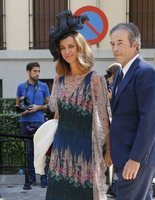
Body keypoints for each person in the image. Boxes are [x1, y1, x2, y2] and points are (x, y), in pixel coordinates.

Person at [46, 10, 111, 200]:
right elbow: (57, 115)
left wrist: (109, 151)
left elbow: (105, 117)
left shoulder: (95, 79)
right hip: (61, 150)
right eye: (63, 48)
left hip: (86, 150)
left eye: (71, 46)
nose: (67, 52)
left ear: (80, 47)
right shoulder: (58, 79)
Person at [109, 22, 155, 200]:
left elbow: (149, 120)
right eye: (112, 44)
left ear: (135, 45)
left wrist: (136, 158)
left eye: (120, 43)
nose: (115, 48)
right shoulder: (119, 73)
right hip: (124, 155)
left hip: (136, 158)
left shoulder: (145, 72)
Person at [16, 62, 50, 187]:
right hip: (25, 122)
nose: (37, 73)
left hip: (40, 122)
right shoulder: (20, 87)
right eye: (35, 71)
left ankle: (44, 180)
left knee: (42, 151)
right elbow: (17, 106)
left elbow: (50, 106)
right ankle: (30, 180)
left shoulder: (44, 86)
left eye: (38, 71)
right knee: (29, 152)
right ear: (28, 72)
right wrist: (22, 109)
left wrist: (38, 107)